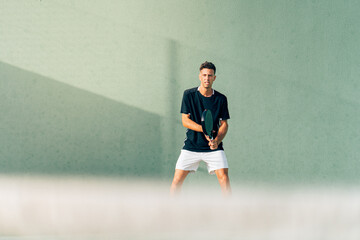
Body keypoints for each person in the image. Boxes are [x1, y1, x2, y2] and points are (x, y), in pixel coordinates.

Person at [170, 61, 231, 196]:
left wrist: (217, 140)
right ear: (199, 76)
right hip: (191, 145)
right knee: (177, 181)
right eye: (204, 75)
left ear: (214, 78)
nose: (206, 78)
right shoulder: (189, 95)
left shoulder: (221, 99)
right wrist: (204, 129)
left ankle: (229, 212)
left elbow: (224, 124)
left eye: (210, 75)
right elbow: (185, 120)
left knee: (224, 178)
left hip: (213, 148)